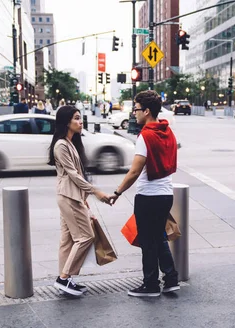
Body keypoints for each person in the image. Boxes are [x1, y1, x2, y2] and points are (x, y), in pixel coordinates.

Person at [109, 90, 179, 297]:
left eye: (136, 109)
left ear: (147, 111)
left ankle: (150, 285)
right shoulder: (167, 131)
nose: (134, 114)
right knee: (159, 238)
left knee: (148, 241)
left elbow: (135, 171)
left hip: (148, 197)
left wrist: (117, 192)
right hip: (166, 195)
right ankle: (171, 279)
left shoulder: (145, 136)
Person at [48, 106, 111, 296]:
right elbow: (73, 175)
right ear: (67, 122)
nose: (80, 122)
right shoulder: (61, 145)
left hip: (72, 196)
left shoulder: (70, 143)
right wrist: (96, 192)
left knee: (67, 241)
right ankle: (64, 278)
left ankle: (66, 279)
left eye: (80, 118)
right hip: (68, 196)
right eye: (76, 118)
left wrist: (85, 198)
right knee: (85, 236)